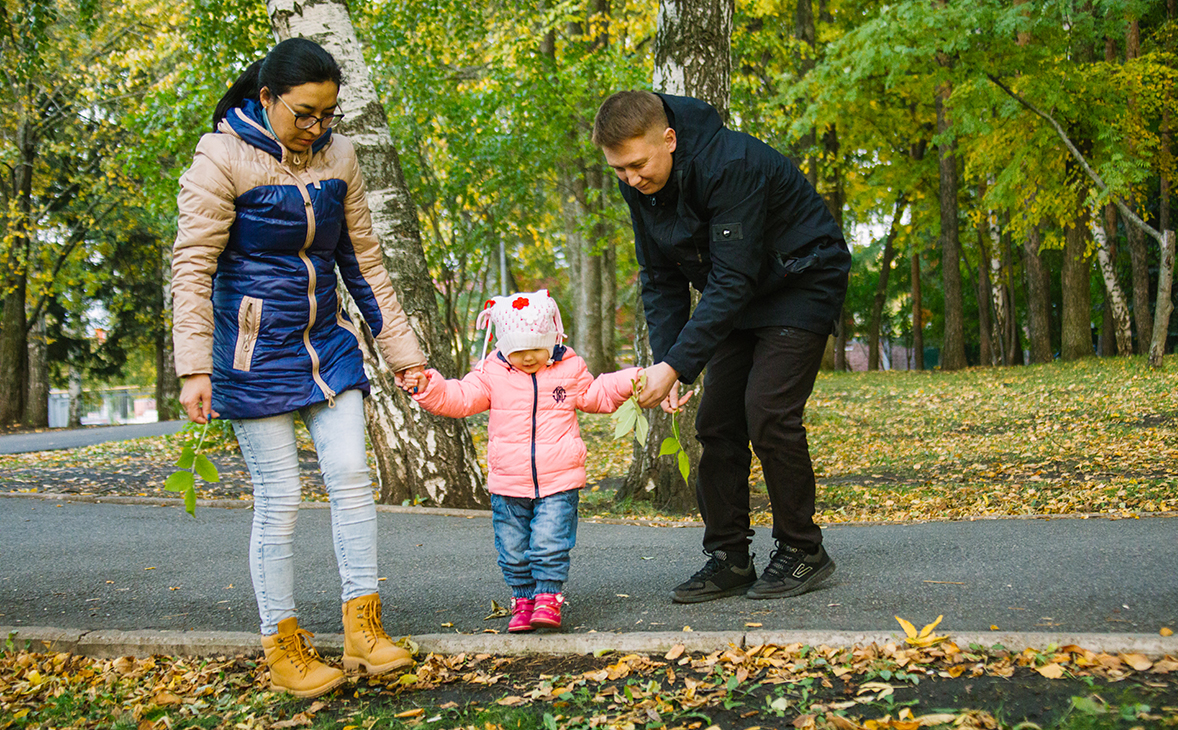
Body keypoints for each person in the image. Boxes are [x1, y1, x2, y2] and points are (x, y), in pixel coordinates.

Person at [172, 38, 427, 698]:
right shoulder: (221, 155)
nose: (317, 129)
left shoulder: (338, 154)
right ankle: (283, 647)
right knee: (280, 498)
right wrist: (193, 368)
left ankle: (364, 634)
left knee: (350, 474)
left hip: (326, 345)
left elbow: (364, 263)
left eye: (328, 115)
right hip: (252, 353)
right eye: (304, 114)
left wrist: (405, 355)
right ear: (267, 99)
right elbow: (193, 268)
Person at [592, 90, 851, 604]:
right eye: (619, 171)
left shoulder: (731, 163)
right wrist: (670, 360)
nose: (631, 179)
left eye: (638, 165)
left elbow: (732, 279)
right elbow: (660, 275)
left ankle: (803, 550)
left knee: (768, 413)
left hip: (802, 280)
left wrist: (679, 364)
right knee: (716, 424)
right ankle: (730, 557)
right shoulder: (638, 183)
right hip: (742, 290)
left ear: (668, 138)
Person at [404, 290, 640, 632]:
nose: (527, 357)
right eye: (517, 350)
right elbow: (459, 398)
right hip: (508, 481)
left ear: (552, 339)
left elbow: (597, 396)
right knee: (512, 549)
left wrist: (632, 379)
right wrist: (429, 387)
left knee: (549, 542)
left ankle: (547, 597)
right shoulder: (490, 372)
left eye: (535, 348)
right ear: (503, 346)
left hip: (558, 478)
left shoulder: (569, 368)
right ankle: (523, 599)